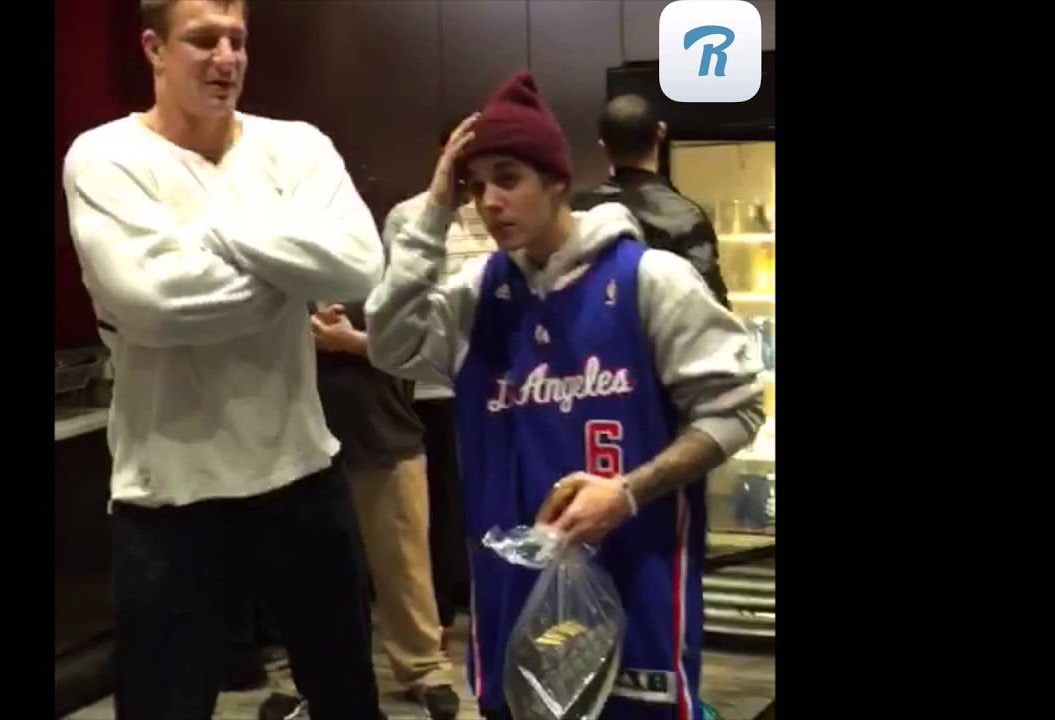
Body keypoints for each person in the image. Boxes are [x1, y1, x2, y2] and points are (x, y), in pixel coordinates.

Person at [364, 71, 765, 720]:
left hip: (637, 569)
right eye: (474, 186)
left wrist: (629, 490)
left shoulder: (650, 280)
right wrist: (433, 212)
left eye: (508, 177)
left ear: (556, 179)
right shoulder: (474, 297)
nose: (488, 200)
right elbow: (390, 345)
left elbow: (739, 408)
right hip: (511, 583)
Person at [59, 1, 386, 719]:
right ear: (153, 48)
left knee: (347, 699)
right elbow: (155, 303)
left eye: (237, 40)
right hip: (170, 495)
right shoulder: (106, 157)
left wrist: (212, 238)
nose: (226, 58)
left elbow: (360, 267)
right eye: (202, 40)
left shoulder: (296, 146)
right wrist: (289, 273)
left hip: (301, 471)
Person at [296, 296, 460, 719]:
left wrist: (349, 340)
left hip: (384, 429)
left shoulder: (387, 259)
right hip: (301, 438)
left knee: (404, 563)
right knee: (311, 572)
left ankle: (424, 668)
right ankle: (309, 678)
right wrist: (304, 333)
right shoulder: (282, 253)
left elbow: (421, 345)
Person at [384, 114, 494, 640]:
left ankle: (479, 589)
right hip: (427, 382)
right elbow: (395, 301)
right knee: (435, 498)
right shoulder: (409, 216)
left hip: (491, 382)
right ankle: (442, 599)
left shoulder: (497, 214)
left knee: (482, 489)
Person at [571, 93, 731, 308]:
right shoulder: (686, 217)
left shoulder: (578, 213)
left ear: (603, 145)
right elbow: (711, 310)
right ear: (661, 132)